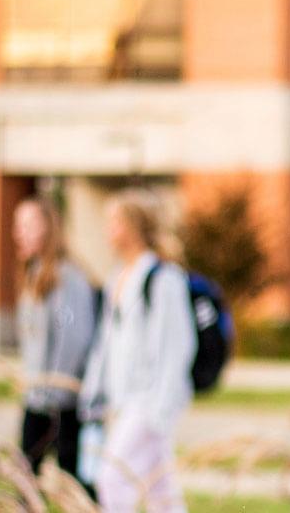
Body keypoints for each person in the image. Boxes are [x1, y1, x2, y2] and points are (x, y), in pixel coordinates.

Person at [80, 191, 196, 512]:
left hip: (148, 404)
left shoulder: (163, 280)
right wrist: (94, 393)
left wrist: (159, 411)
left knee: (112, 480)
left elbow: (177, 346)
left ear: (133, 227)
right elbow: (105, 345)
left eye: (114, 221)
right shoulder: (116, 278)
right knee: (162, 492)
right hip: (124, 400)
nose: (107, 229)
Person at [11, 197, 99, 484]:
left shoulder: (67, 278)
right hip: (37, 399)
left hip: (60, 404)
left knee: (72, 485)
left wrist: (55, 395)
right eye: (17, 225)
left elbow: (73, 338)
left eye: (28, 225)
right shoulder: (36, 273)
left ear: (49, 228)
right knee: (26, 482)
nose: (18, 233)